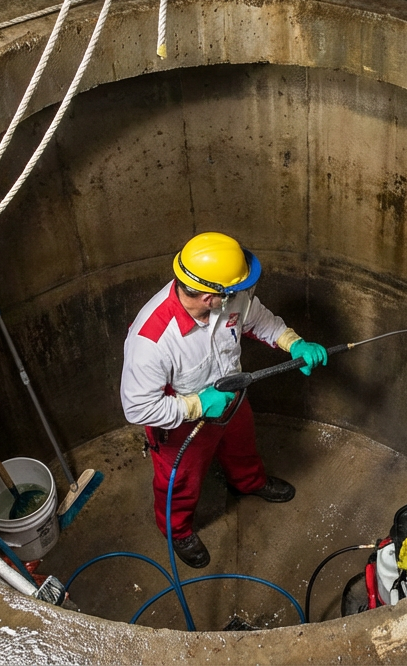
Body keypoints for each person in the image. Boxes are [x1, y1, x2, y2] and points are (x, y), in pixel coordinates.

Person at [120, 231, 329, 568]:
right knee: (180, 483)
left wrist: (294, 343)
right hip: (180, 425)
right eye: (233, 290)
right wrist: (198, 405)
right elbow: (137, 407)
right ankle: (177, 529)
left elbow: (260, 320)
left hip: (231, 399)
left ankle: (248, 483)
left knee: (242, 446)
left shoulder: (231, 297)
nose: (242, 294)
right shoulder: (152, 340)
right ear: (208, 296)